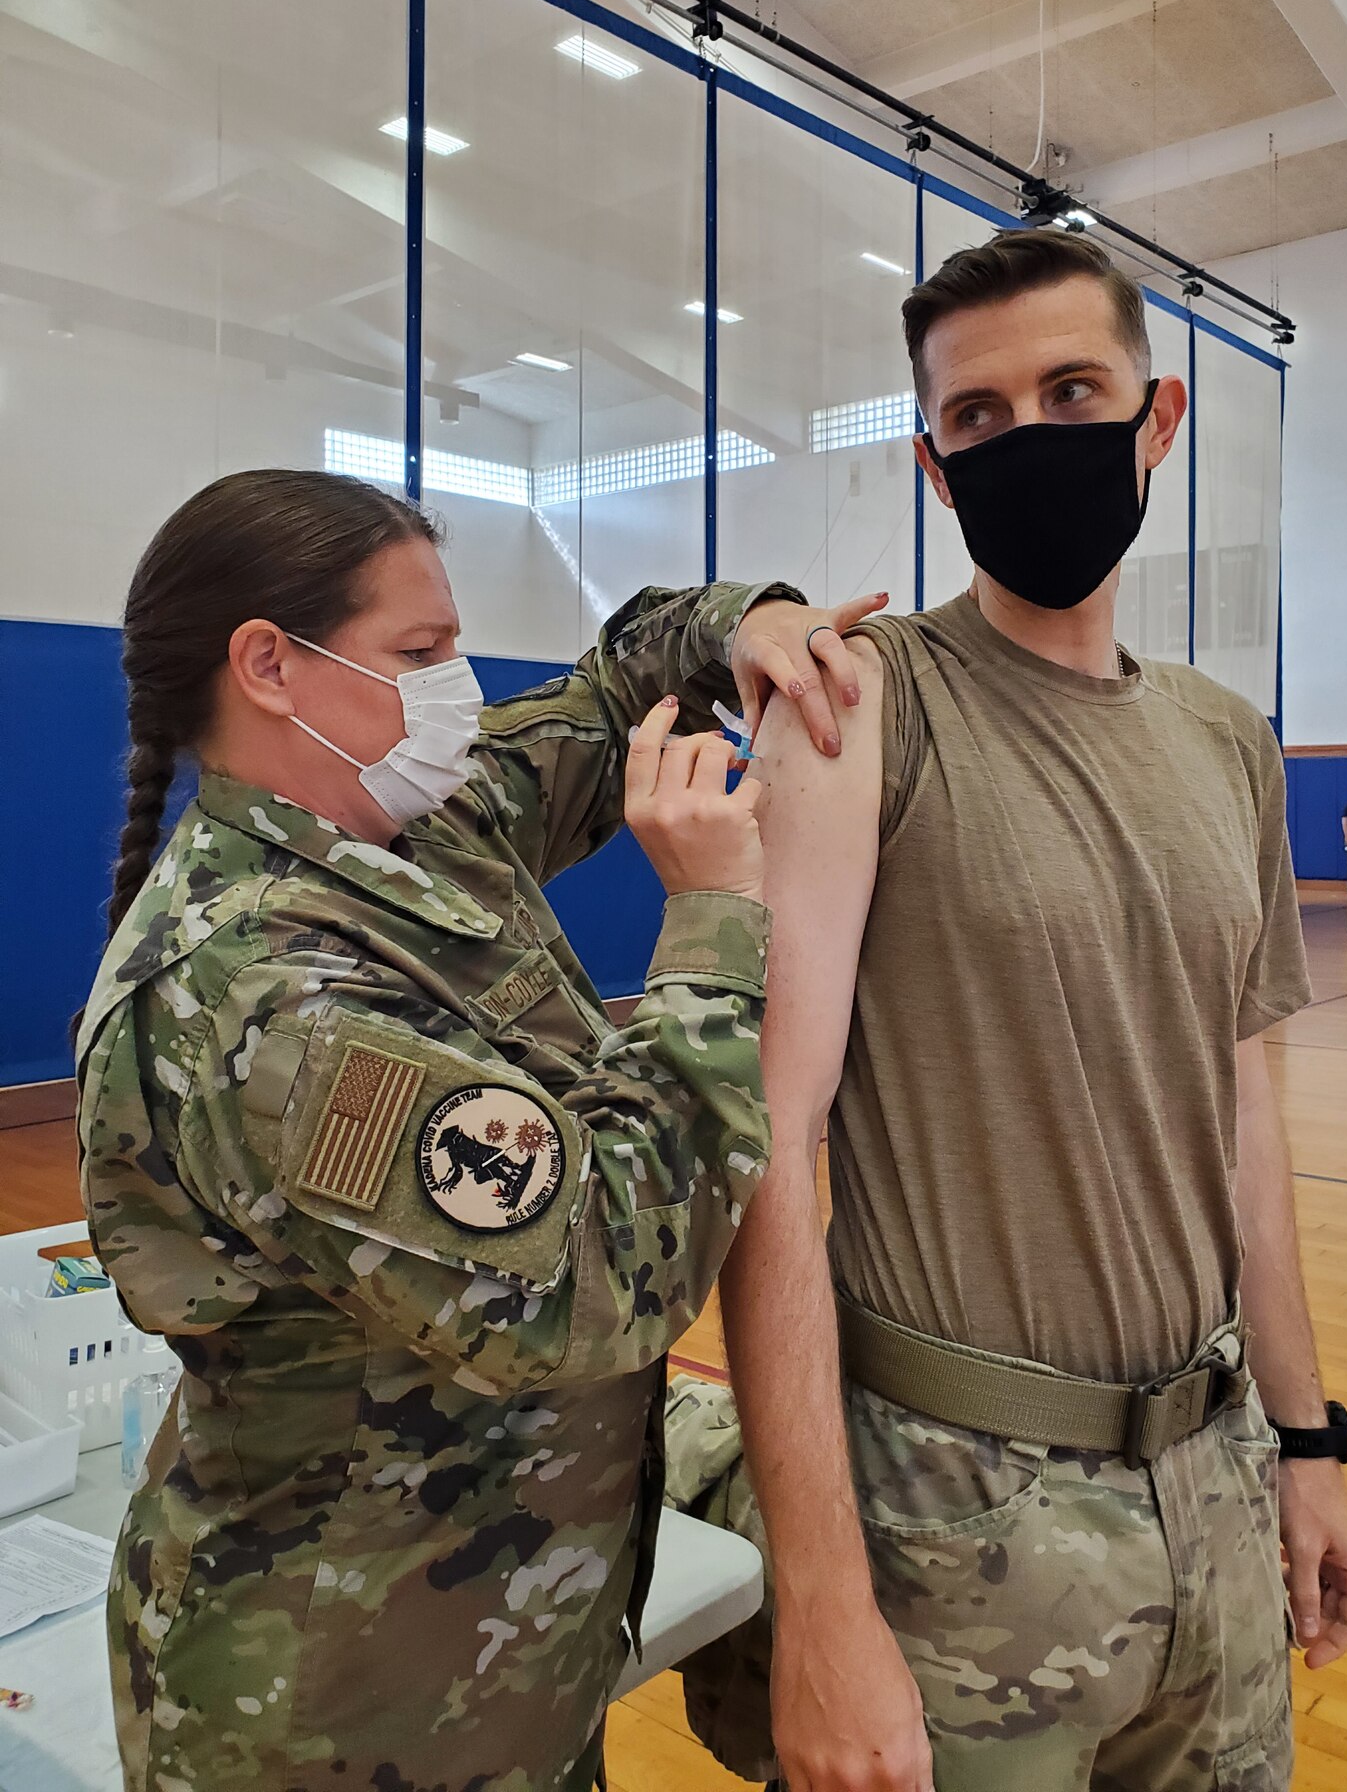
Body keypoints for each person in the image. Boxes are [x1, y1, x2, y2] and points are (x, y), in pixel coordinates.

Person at [74, 468, 881, 1792]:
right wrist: (714, 923)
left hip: (511, 1645)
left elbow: (611, 684)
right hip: (353, 1710)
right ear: (272, 666)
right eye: (423, 651)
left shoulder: (412, 822)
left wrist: (748, 622)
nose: (460, 686)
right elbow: (605, 1278)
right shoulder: (260, 1002)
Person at [715, 231, 1347, 1791]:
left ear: (1160, 418)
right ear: (936, 467)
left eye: (1073, 389)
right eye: (981, 417)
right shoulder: (858, 702)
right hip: (959, 1518)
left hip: (1213, 1481)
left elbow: (1245, 1118)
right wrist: (819, 1599)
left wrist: (1304, 1438)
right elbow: (767, 1148)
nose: (1028, 438)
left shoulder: (1228, 741)